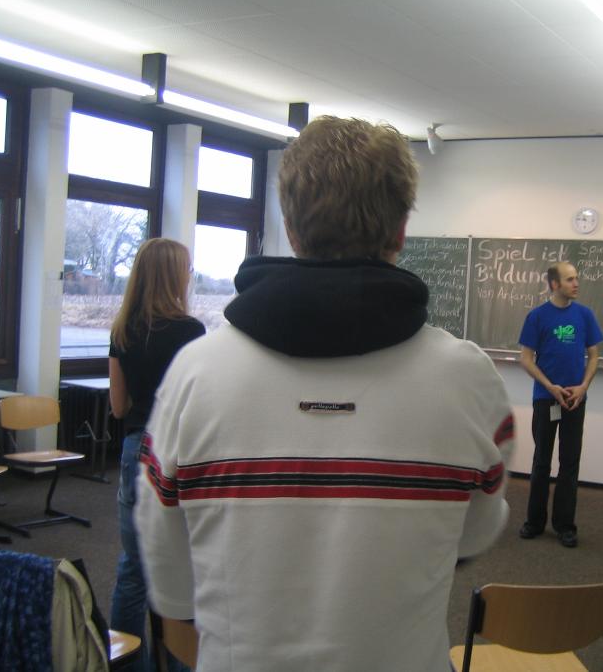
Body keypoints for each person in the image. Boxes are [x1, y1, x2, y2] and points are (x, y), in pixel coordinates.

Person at [134, 117, 514, 672]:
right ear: (400, 230)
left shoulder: (195, 374)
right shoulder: (470, 381)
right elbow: (472, 536)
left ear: (290, 228)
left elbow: (170, 586)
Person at [108, 237, 205, 672]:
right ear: (173, 276)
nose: (189, 277)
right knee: (181, 566)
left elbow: (118, 407)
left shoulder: (122, 330)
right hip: (176, 453)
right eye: (187, 270)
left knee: (133, 568)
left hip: (136, 450)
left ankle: (127, 664)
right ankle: (181, 662)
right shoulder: (190, 332)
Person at [518, 261, 603, 548]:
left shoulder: (585, 315)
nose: (576, 283)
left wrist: (583, 386)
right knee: (541, 460)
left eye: (577, 278)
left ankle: (565, 525)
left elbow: (594, 355)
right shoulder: (537, 316)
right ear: (555, 284)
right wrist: (549, 386)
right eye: (570, 279)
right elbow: (526, 359)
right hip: (546, 399)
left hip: (574, 400)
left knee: (569, 462)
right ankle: (534, 522)